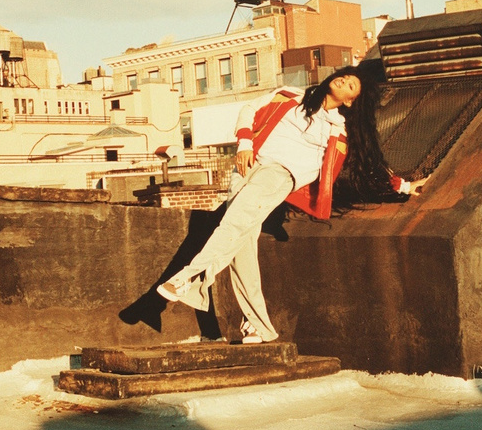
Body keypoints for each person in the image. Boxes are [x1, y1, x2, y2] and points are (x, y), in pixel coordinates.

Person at [157, 64, 425, 343]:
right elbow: (249, 109)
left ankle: (187, 278)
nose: (343, 81)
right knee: (241, 247)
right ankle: (258, 326)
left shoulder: (340, 128)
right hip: (247, 166)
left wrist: (404, 186)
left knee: (233, 225)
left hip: (281, 174)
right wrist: (245, 144)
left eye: (350, 85)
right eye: (344, 77)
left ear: (350, 101)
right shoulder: (291, 95)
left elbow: (370, 164)